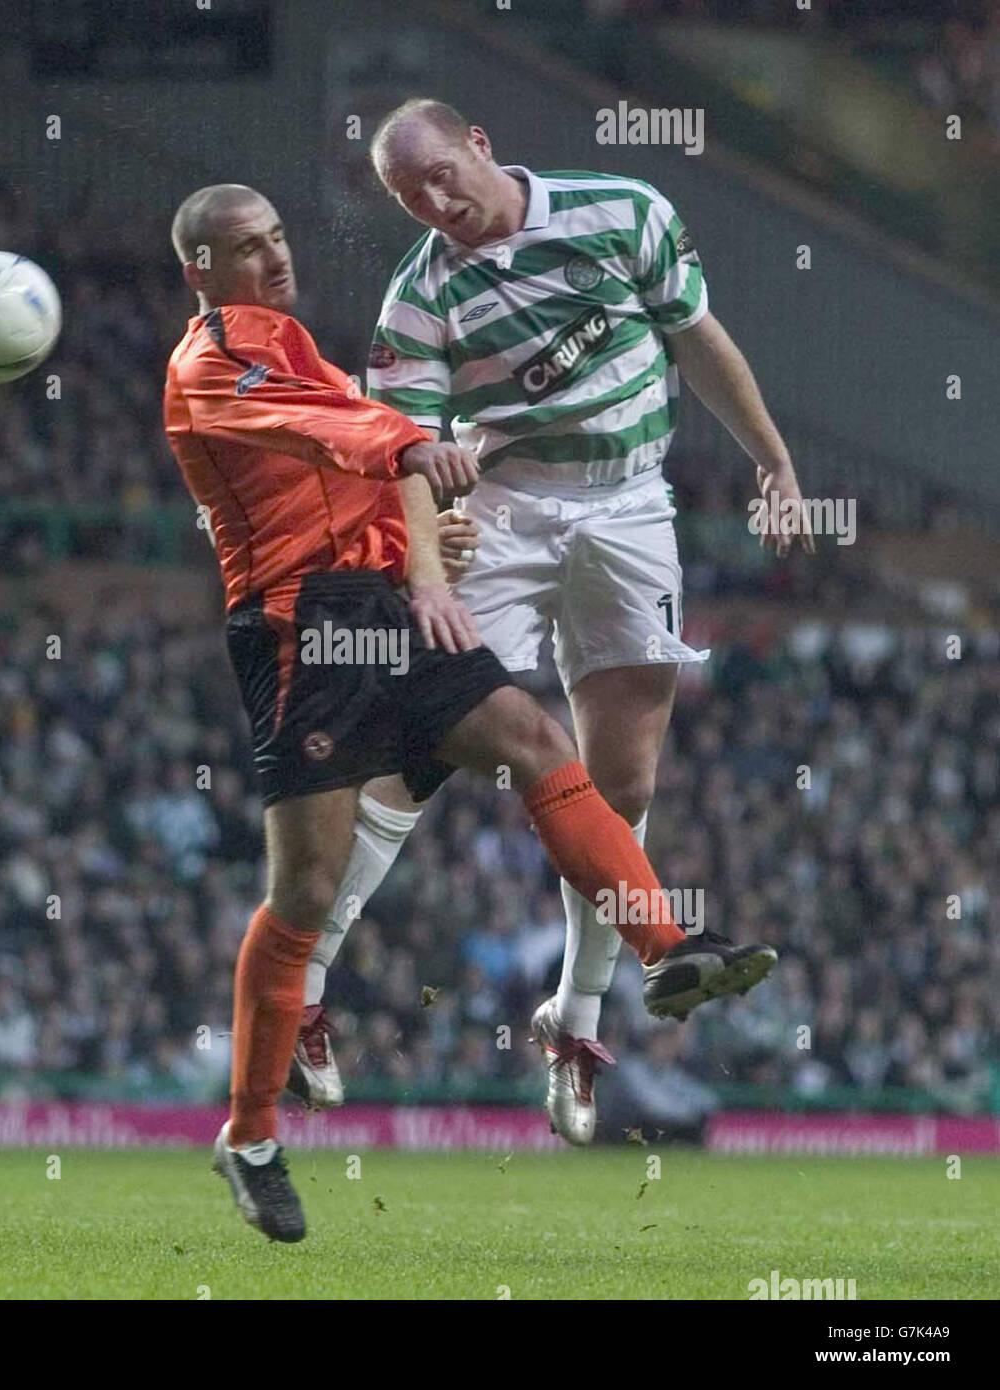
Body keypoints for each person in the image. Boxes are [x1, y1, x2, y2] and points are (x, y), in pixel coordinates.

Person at [163, 181, 778, 1242]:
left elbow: (362, 466)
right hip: (297, 630)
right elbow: (340, 439)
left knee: (535, 740)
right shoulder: (209, 362)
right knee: (304, 885)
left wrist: (420, 549)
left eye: (276, 238)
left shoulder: (295, 341)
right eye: (245, 249)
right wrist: (413, 445)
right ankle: (250, 1133)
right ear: (200, 270)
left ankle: (666, 945)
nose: (273, 259)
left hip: (386, 611)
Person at [291, 99, 810, 1145]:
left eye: (443, 174)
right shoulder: (420, 297)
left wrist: (773, 458)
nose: (437, 204)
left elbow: (694, 338)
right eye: (410, 197)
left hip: (628, 506)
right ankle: (299, 981)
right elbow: (404, 458)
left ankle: (572, 1023)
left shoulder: (624, 210)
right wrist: (433, 553)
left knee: (621, 787)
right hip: (505, 512)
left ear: (482, 141)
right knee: (415, 744)